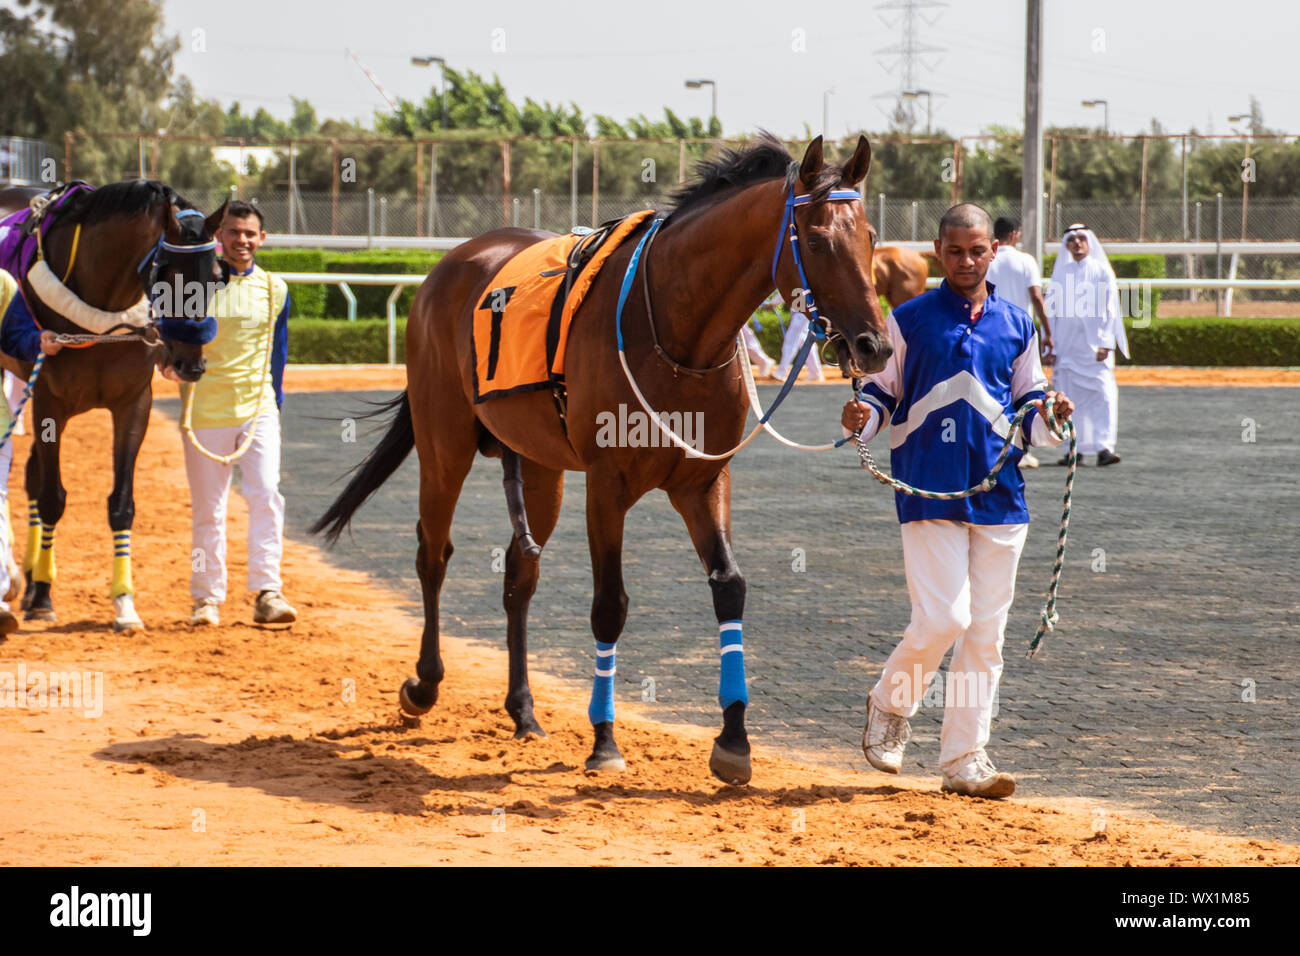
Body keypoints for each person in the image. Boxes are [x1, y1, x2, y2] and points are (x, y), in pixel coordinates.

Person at [842, 202, 1073, 799]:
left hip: (1002, 498)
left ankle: (964, 758)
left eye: (978, 250)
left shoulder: (1018, 325)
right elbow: (881, 395)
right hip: (929, 490)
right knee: (945, 619)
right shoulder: (909, 319)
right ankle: (891, 704)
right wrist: (862, 416)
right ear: (938, 253)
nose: (967, 260)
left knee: (984, 636)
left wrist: (1051, 413)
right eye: (955, 250)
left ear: (994, 251)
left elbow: (1029, 404)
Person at [177, 200, 296, 626]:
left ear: (261, 239)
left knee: (267, 496)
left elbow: (277, 356)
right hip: (206, 411)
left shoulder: (275, 289)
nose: (241, 240)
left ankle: (269, 592)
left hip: (258, 409)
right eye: (233, 232)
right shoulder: (194, 287)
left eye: (249, 233)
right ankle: (206, 598)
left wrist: (274, 407)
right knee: (208, 511)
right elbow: (172, 342)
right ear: (218, 237)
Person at [1046, 224, 1127, 467]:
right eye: (1072, 240)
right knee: (1069, 399)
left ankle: (1104, 448)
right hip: (1067, 350)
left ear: (1089, 242)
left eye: (1082, 238)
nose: (1077, 243)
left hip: (1095, 351)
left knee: (1103, 396)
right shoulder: (1061, 274)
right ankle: (1075, 449)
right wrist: (1050, 347)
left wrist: (1105, 342)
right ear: (1067, 245)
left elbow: (1110, 309)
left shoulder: (1102, 271)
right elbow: (1050, 312)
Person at [986, 216, 1054, 469]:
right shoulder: (1026, 260)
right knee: (1024, 392)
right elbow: (1036, 297)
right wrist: (1048, 332)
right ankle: (1021, 450)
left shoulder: (989, 259)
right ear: (1015, 234)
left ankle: (995, 446)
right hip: (1019, 332)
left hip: (989, 329)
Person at [773, 309, 824, 383]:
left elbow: (785, 297)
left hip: (800, 315)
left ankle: (781, 372)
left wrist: (773, 302)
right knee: (807, 344)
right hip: (804, 315)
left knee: (790, 343)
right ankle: (815, 373)